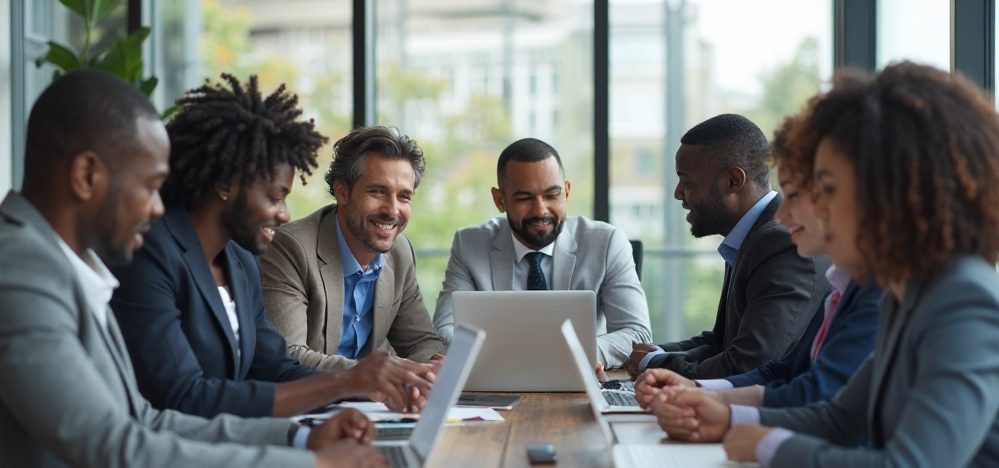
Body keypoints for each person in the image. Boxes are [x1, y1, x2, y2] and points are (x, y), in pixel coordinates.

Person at [0, 70, 398, 468]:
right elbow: (121, 454)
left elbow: (147, 421)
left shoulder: (71, 266)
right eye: (152, 186)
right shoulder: (12, 269)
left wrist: (301, 439)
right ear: (87, 175)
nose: (160, 206)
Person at [652, 63, 999, 468]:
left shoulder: (964, 300)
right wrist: (729, 416)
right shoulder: (908, 294)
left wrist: (769, 444)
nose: (813, 208)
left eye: (829, 190)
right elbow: (842, 416)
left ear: (896, 192)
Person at [110, 75, 435, 419]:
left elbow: (277, 368)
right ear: (225, 185)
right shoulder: (149, 254)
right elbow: (183, 397)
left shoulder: (240, 262)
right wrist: (340, 391)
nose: (284, 214)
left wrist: (364, 386)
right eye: (274, 197)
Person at [633, 114, 880, 409]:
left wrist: (662, 367)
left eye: (796, 195)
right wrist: (683, 380)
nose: (784, 215)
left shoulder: (782, 243)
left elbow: (757, 366)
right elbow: (767, 362)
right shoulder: (842, 283)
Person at [623, 114, 828, 380]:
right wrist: (653, 354)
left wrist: (654, 363)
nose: (677, 194)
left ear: (733, 181)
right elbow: (721, 342)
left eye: (686, 183)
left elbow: (748, 365)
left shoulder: (780, 243)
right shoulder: (752, 236)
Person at [433, 138, 651, 368]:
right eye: (525, 198)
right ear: (500, 200)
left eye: (551, 195)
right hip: (498, 381)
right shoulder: (469, 244)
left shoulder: (606, 243)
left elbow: (638, 334)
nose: (540, 210)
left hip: (579, 382)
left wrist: (583, 355)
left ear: (566, 192)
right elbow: (444, 330)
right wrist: (511, 355)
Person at [259, 126, 446, 372]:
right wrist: (380, 375)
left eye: (404, 196)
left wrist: (433, 365)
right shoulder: (292, 248)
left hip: (371, 405)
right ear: (342, 192)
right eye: (378, 191)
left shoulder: (400, 252)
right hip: (308, 403)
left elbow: (421, 341)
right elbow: (288, 356)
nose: (392, 210)